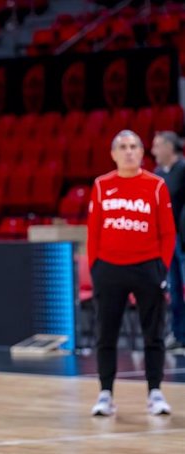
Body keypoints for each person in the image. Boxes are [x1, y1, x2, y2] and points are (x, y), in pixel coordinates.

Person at [87, 129, 175, 416]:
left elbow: (168, 232)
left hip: (147, 267)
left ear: (142, 152)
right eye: (122, 146)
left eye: (134, 146)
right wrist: (96, 267)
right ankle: (105, 394)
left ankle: (155, 393)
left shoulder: (157, 185)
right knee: (106, 335)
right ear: (113, 154)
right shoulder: (101, 185)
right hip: (109, 269)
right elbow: (94, 231)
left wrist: (160, 267)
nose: (128, 151)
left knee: (154, 334)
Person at [152, 131, 185, 351]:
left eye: (157, 146)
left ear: (169, 147)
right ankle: (179, 334)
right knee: (173, 290)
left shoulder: (183, 169)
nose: (153, 151)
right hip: (167, 238)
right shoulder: (156, 174)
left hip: (182, 237)